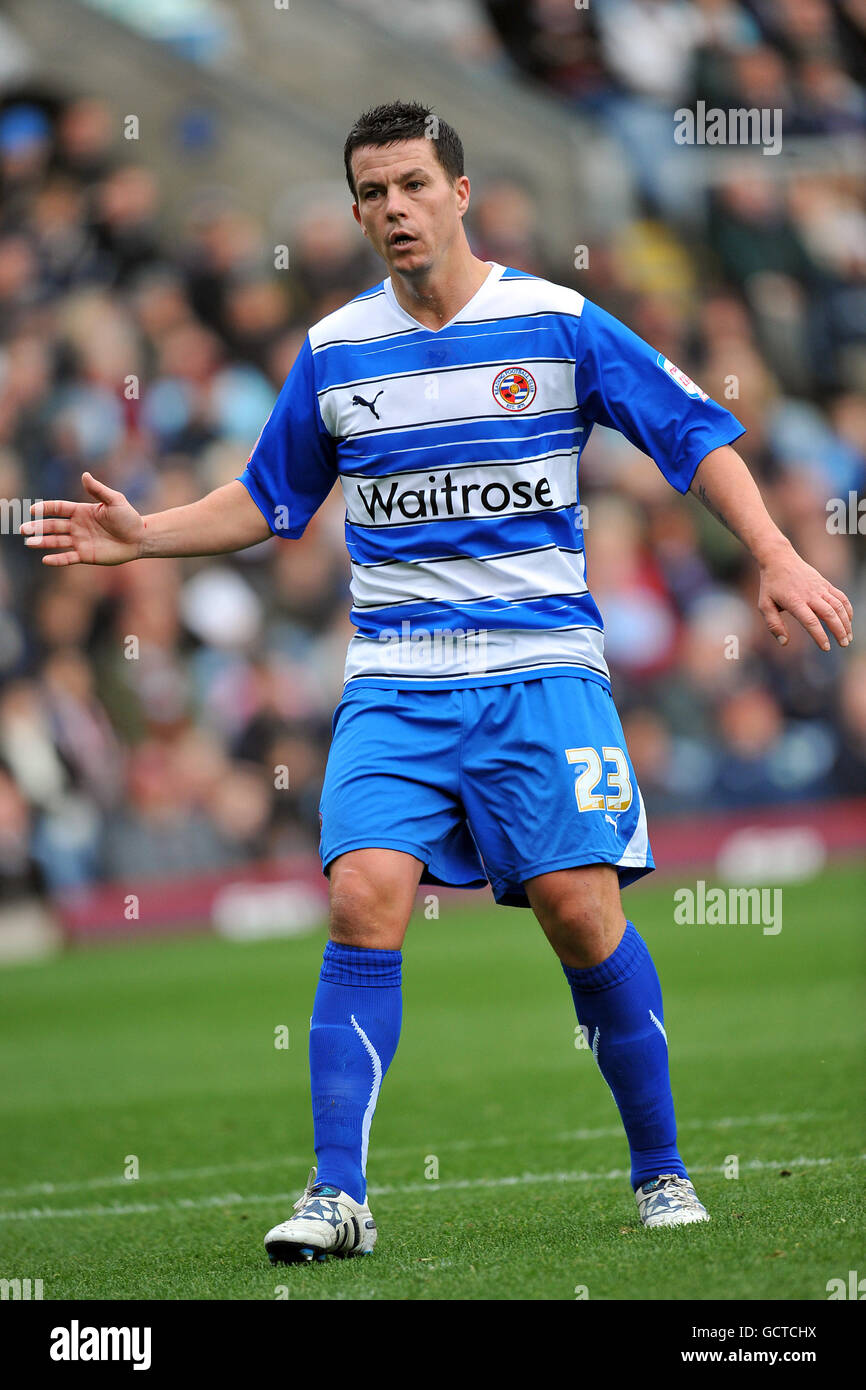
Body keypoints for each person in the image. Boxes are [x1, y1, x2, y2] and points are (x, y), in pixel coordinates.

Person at [21, 102, 853, 1264]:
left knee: (578, 912)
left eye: (413, 184)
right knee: (363, 888)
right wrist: (144, 534)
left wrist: (770, 552)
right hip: (395, 683)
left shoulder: (553, 320)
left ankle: (660, 1169)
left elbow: (692, 435)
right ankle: (337, 1192)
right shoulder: (333, 349)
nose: (394, 208)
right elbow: (267, 500)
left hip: (540, 672)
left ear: (458, 194)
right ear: (355, 210)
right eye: (372, 192)